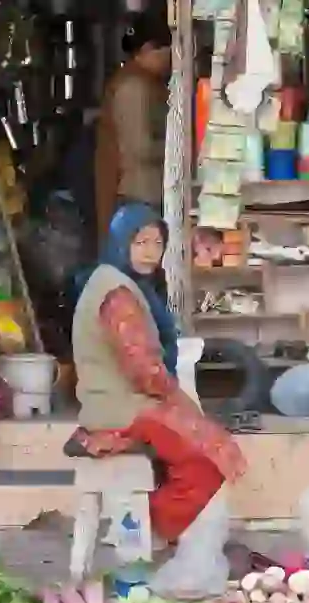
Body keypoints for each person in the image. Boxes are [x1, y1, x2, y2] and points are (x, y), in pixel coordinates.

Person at [69, 202, 246, 549]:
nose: (151, 253)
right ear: (121, 243)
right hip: (121, 407)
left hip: (122, 401)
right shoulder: (118, 294)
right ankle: (143, 530)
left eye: (157, 243)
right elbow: (145, 370)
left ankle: (145, 526)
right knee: (208, 456)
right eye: (140, 243)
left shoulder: (117, 282)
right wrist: (180, 402)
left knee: (196, 438)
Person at [94, 11, 172, 243]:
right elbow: (139, 148)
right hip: (137, 194)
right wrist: (182, 149)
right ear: (149, 49)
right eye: (167, 51)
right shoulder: (132, 87)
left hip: (145, 193)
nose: (171, 59)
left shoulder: (149, 83)